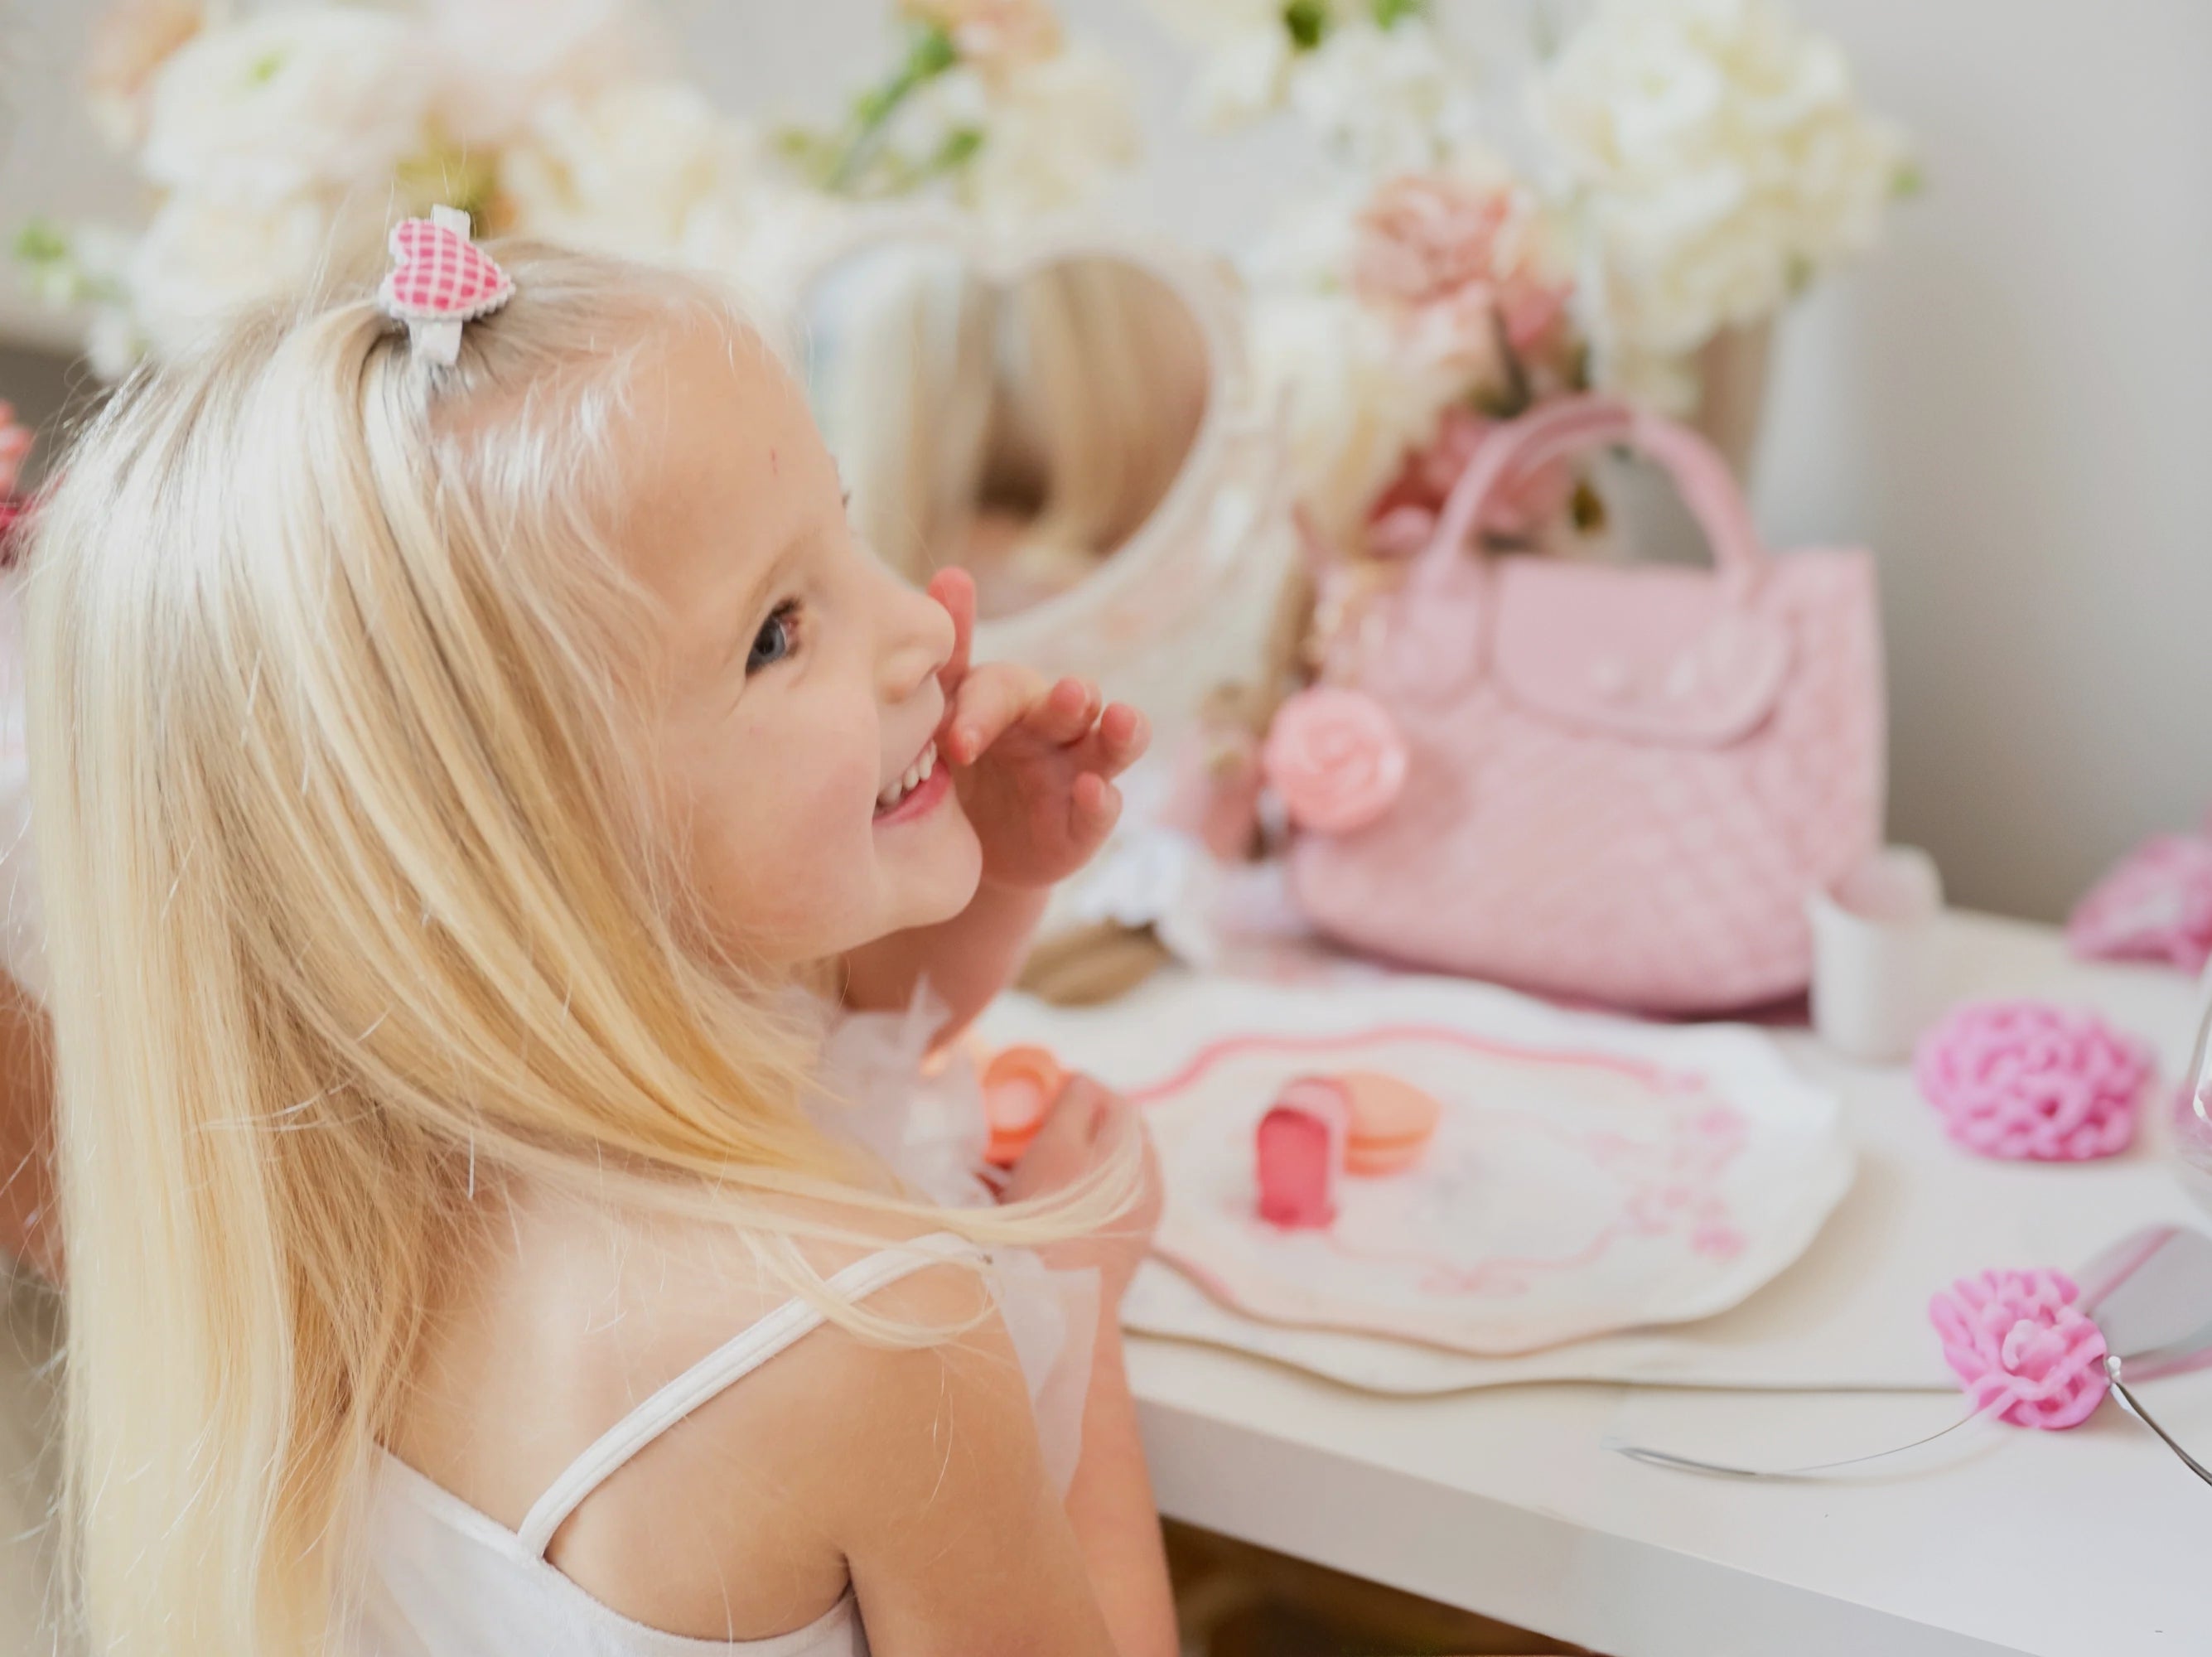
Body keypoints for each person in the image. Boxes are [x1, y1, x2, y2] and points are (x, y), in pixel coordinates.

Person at [21, 221, 1176, 1657]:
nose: (920, 629)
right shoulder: (873, 1336)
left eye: (847, 519)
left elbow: (820, 1034)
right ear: (507, 853)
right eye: (775, 631)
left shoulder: (311, 1197)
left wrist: (981, 869)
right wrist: (1084, 1302)